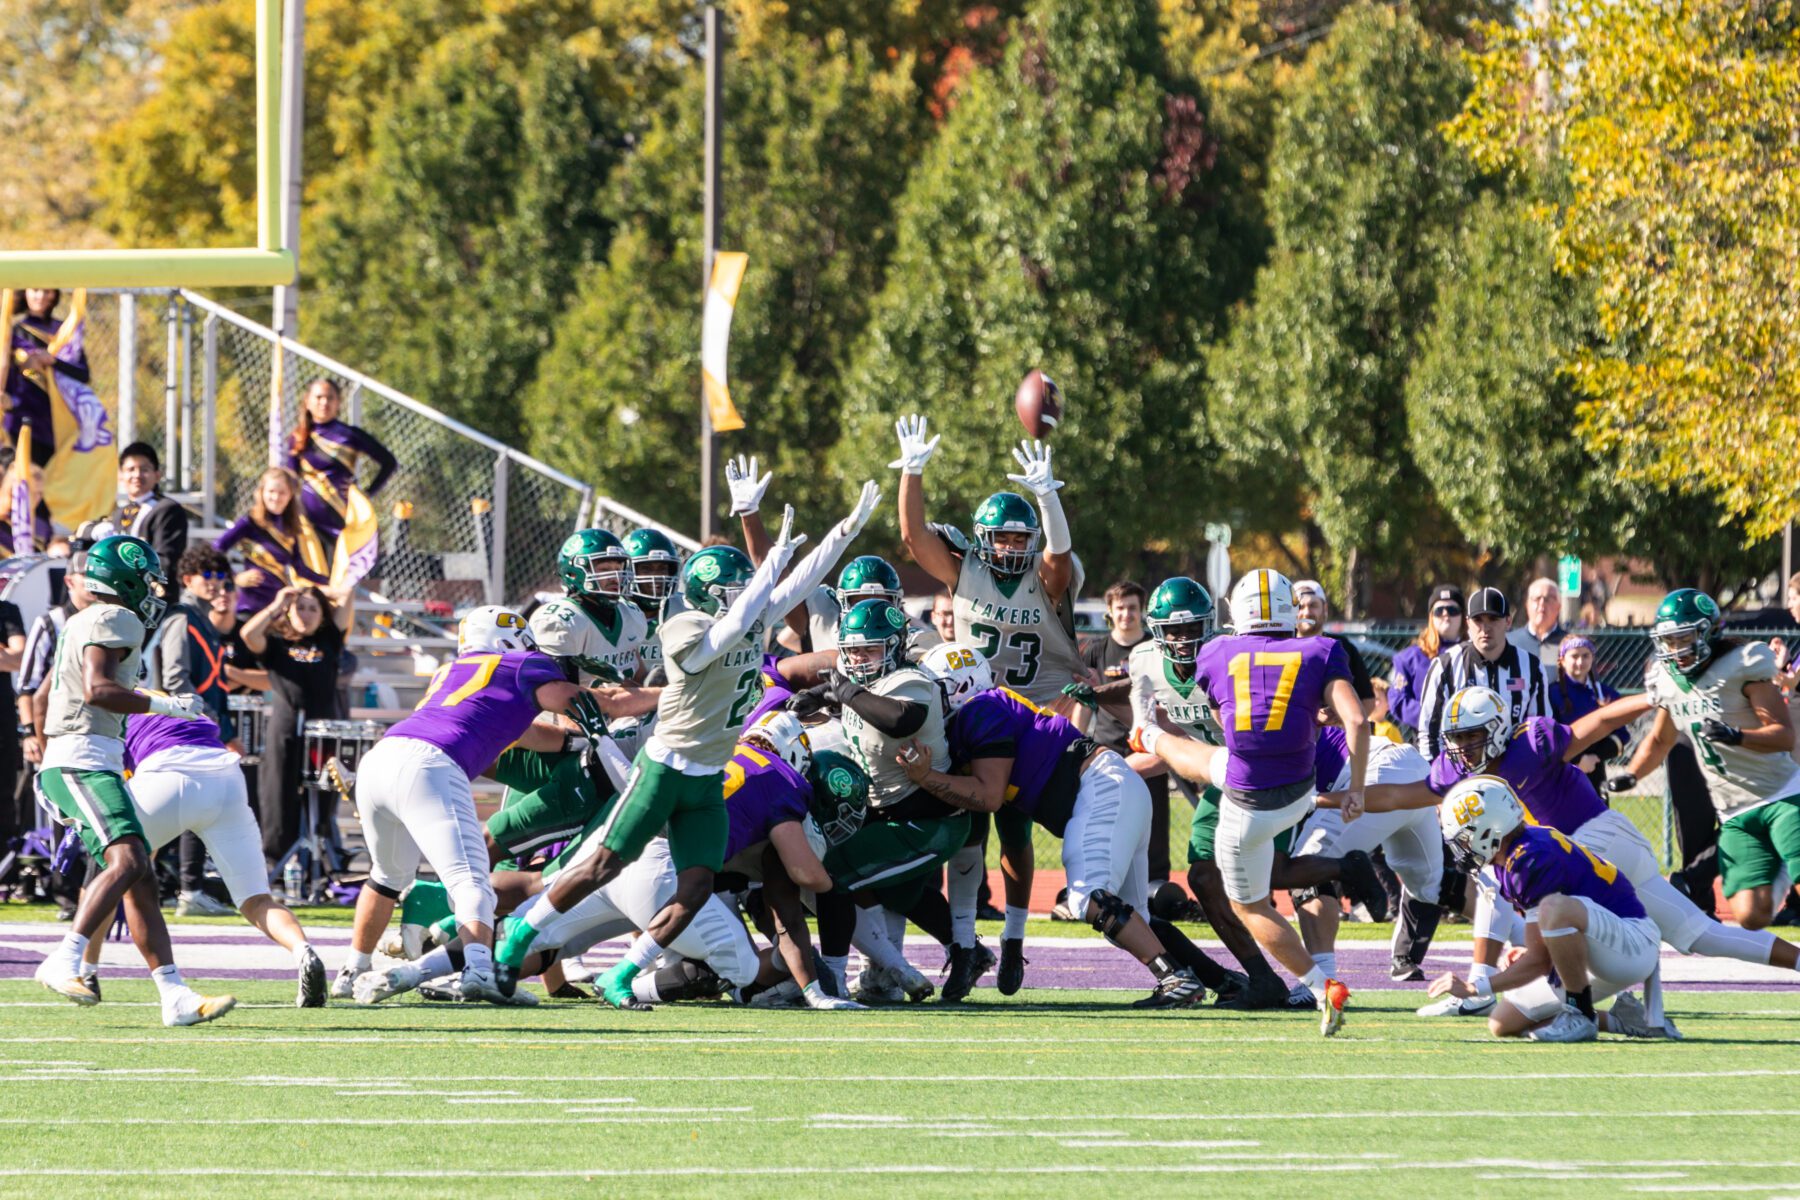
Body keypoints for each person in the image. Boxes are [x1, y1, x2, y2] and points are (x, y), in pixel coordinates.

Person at [499, 486, 881, 1008]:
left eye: (745, 584)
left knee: (697, 885)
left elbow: (797, 588)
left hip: (706, 775)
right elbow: (727, 634)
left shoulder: (746, 617)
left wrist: (846, 530)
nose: (745, 591)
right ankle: (522, 935)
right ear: (707, 592)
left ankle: (622, 976)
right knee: (602, 865)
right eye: (734, 585)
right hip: (664, 767)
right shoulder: (683, 625)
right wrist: (770, 565)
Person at [910, 642, 1231, 1007]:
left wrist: (925, 777)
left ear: (960, 687)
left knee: (1086, 898)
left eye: (932, 688)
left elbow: (989, 796)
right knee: (1133, 916)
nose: (925, 698)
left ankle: (1175, 979)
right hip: (1112, 785)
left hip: (1099, 787)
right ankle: (1223, 979)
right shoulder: (988, 707)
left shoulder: (980, 711)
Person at [1134, 568, 1367, 1036]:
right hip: (1301, 788)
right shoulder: (1321, 648)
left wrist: (1146, 724)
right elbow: (1358, 722)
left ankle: (1323, 987)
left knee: (1251, 906)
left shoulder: (1219, 651)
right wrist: (1356, 789)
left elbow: (1224, 711)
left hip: (1248, 797)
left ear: (1233, 613)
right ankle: (1314, 977)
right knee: (1215, 762)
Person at [338, 606, 608, 1003]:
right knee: (471, 879)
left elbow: (524, 733)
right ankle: (480, 970)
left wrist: (572, 743)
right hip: (429, 763)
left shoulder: (453, 672)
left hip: (383, 756)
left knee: (385, 876)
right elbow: (577, 701)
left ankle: (351, 970)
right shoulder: (519, 665)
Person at [29, 533, 236, 1026]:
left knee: (139, 875)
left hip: (86, 755)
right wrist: (166, 704)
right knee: (129, 860)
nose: (153, 591)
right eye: (146, 580)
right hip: (83, 757)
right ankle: (65, 956)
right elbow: (101, 689)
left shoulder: (85, 618)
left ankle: (174, 994)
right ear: (123, 580)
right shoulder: (115, 616)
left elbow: (58, 696)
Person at [1615, 589, 1800, 931]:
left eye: (1683, 638)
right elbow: (1659, 740)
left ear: (1708, 632)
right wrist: (1632, 774)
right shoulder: (1671, 683)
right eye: (1669, 641)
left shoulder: (1742, 667)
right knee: (1750, 915)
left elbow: (1785, 734)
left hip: (1780, 794)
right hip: (1735, 812)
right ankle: (1782, 867)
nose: (1676, 650)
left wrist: (1738, 735)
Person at [122, 700, 327, 1006]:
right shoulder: (169, 699)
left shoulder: (110, 705)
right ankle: (302, 951)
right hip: (226, 776)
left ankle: (83, 966)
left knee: (123, 874)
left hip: (166, 774)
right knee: (257, 899)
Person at [1430, 776, 1660, 1042]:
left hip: (1632, 944)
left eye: (1465, 838)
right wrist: (1537, 948)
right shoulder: (1515, 856)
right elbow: (1544, 948)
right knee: (1503, 1022)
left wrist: (1474, 987)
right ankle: (1626, 1020)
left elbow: (1539, 961)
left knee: (1553, 908)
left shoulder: (1529, 860)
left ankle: (1579, 1014)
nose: (1463, 849)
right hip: (1602, 945)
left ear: (1486, 830)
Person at [891, 415, 1083, 708]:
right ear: (983, 538)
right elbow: (913, 537)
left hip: (1047, 705)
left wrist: (1048, 497)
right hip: (978, 705)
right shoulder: (965, 570)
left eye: (1020, 540)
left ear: (1033, 540)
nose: (1011, 548)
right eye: (1002, 539)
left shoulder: (1042, 578)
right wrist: (912, 470)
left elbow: (1059, 552)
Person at [147, 545, 239, 917]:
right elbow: (175, 679)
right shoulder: (182, 618)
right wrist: (209, 720)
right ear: (187, 580)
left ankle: (191, 888)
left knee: (194, 807)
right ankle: (172, 886)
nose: (218, 585)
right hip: (177, 728)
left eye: (223, 578)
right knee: (162, 810)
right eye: (209, 578)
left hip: (194, 726)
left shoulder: (203, 620)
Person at [240, 583, 352, 874]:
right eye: (300, 607)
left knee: (322, 799)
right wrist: (278, 602)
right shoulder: (277, 643)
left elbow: (347, 593)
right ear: (288, 612)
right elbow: (248, 635)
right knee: (278, 799)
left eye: (313, 608)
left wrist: (310, 587)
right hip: (285, 728)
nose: (306, 613)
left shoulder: (329, 639)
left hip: (323, 732)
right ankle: (276, 866)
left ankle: (320, 866)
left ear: (323, 615)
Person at [1080, 580, 1173, 884]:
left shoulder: (1156, 649)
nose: (1126, 614)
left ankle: (1155, 884)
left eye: (1132, 607)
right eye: (1120, 608)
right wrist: (1072, 744)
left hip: (1149, 748)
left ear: (1142, 610)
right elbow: (1084, 701)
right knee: (1103, 820)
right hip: (1107, 750)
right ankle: (1101, 880)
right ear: (1110, 611)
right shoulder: (1095, 650)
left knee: (1153, 820)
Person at [1416, 585, 1553, 762]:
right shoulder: (1445, 666)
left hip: (1514, 773)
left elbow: (1541, 730)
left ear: (1508, 622)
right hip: (1459, 774)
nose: (1485, 627)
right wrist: (1438, 781)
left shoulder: (1532, 667)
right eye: (1478, 620)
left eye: (1493, 619)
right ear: (1468, 623)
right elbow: (1428, 732)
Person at [285, 378, 397, 560]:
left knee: (338, 581)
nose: (324, 402)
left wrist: (367, 494)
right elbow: (290, 479)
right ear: (307, 401)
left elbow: (389, 462)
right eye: (319, 397)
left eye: (330, 398)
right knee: (309, 582)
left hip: (341, 521)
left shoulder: (350, 435)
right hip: (306, 521)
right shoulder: (298, 436)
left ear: (338, 402)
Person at [215, 466, 327, 617]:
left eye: (282, 493)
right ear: (262, 493)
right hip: (249, 607)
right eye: (271, 492)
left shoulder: (290, 528)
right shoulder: (250, 522)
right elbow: (216, 549)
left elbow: (299, 567)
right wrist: (234, 578)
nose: (276, 497)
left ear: (290, 496)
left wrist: (327, 580)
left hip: (277, 607)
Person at [4, 288, 85, 471]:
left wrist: (52, 362)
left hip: (59, 420)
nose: (40, 297)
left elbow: (83, 374)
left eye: (47, 291)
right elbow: (8, 377)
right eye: (35, 290)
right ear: (24, 293)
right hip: (22, 420)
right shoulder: (14, 332)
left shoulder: (65, 332)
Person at [1549, 635, 1632, 794]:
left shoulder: (1607, 694)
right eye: (1574, 656)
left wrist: (1595, 757)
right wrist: (1577, 760)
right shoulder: (1551, 694)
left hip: (1596, 773)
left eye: (1585, 656)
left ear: (1593, 658)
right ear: (1562, 660)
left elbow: (1622, 735)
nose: (1580, 662)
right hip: (1563, 773)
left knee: (1598, 817)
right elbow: (1550, 738)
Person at [1388, 586, 1463, 743]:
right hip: (1427, 741)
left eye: (1452, 610)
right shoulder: (1410, 658)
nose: (1445, 615)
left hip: (1469, 741)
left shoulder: (1474, 653)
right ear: (1431, 617)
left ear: (1463, 616)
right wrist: (1436, 717)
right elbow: (1398, 700)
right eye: (1439, 610)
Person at [114, 442, 188, 580]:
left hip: (155, 596)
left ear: (157, 475)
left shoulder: (168, 509)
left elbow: (166, 561)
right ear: (121, 476)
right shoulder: (120, 513)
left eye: (144, 469)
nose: (137, 475)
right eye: (130, 469)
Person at [1508, 576, 1567, 679]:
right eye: (1537, 599)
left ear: (1559, 607)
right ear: (1527, 605)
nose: (1542, 604)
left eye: (1548, 599)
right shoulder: (1510, 641)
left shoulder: (1568, 643)